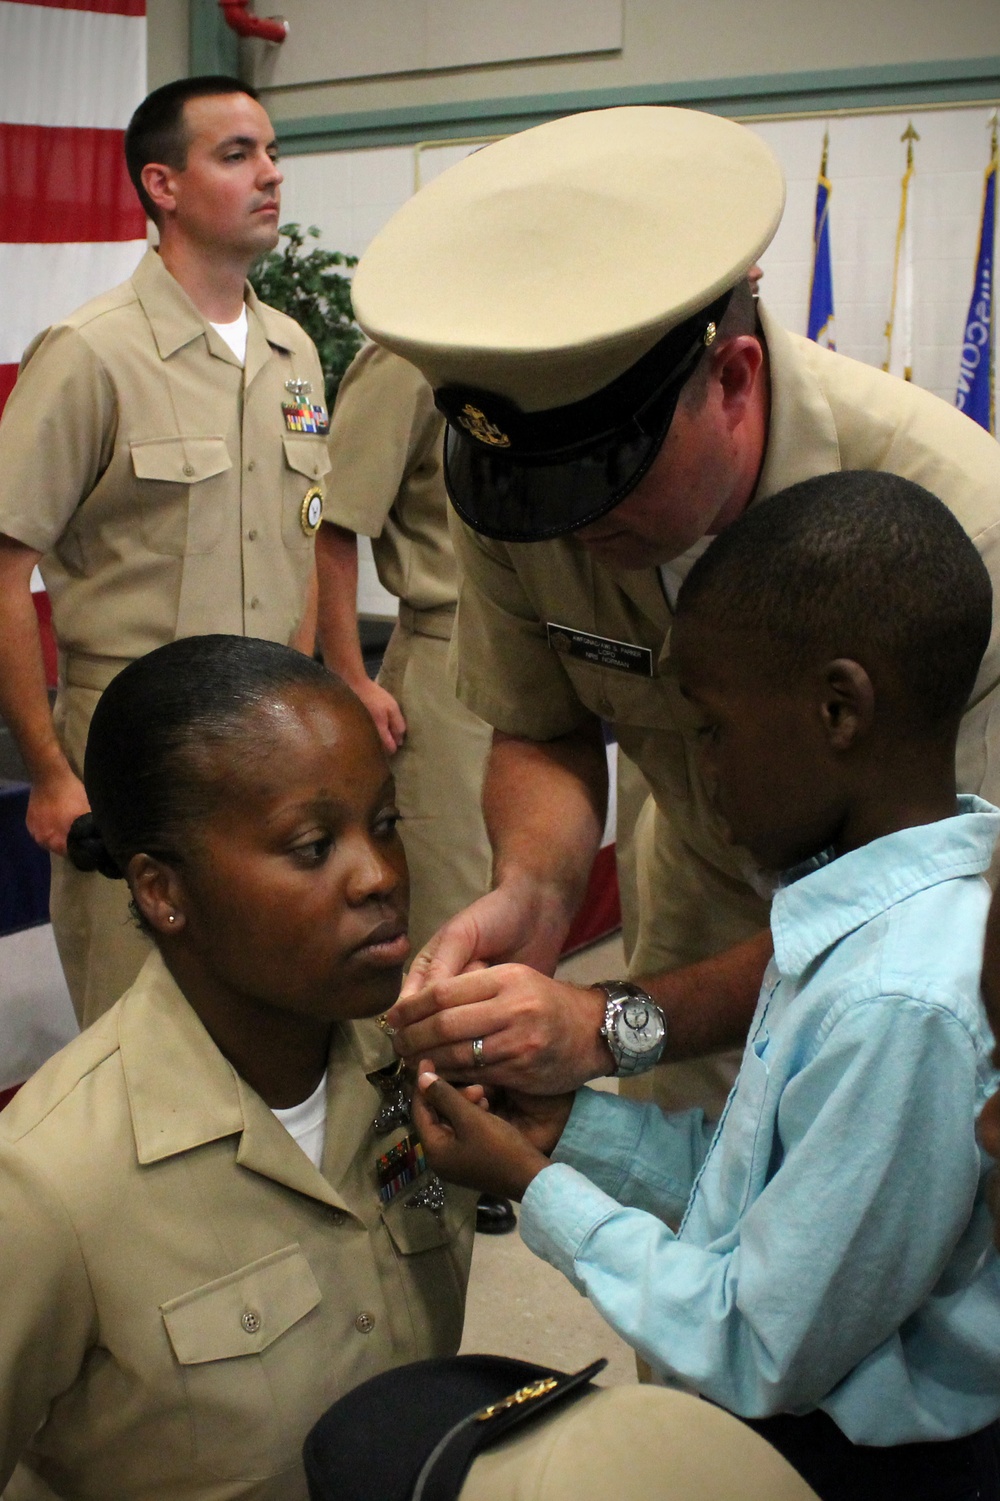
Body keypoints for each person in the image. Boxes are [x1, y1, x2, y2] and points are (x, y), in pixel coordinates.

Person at [351, 105, 1000, 1118]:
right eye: (542, 499)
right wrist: (534, 893)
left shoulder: (959, 525)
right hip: (697, 913)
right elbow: (542, 718)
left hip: (918, 967)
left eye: (603, 487)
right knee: (689, 1205)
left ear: (732, 382)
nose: (569, 535)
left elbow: (916, 896)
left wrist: (613, 1021)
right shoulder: (527, 498)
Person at [411, 472, 1000, 1501]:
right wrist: (569, 1132)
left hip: (867, 1467)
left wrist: (528, 1185)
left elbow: (756, 1336)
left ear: (837, 709)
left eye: (713, 727)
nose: (698, 768)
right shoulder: (854, 916)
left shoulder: (899, 1002)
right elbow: (756, 1199)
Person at [0, 635, 475, 1500]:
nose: (379, 877)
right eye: (310, 846)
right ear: (161, 891)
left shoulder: (418, 1072)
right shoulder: (50, 1183)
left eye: (386, 826)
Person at [0, 75, 328, 1027]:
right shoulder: (92, 352)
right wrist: (51, 771)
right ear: (162, 185)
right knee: (136, 1034)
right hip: (130, 761)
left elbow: (304, 535)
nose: (271, 175)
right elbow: (5, 570)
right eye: (237, 155)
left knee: (266, 1021)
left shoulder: (294, 352)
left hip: (269, 753)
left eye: (272, 153)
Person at [317, 342, 514, 1236]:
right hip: (444, 658)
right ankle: (414, 1176)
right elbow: (330, 515)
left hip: (526, 657)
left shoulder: (531, 341)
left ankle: (485, 1142)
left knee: (511, 924)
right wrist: (347, 674)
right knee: (440, 935)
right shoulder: (406, 359)